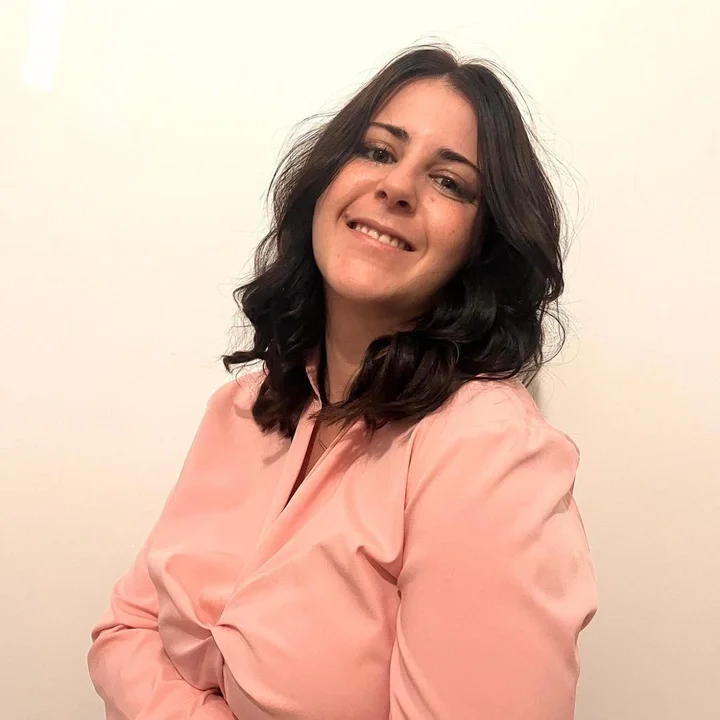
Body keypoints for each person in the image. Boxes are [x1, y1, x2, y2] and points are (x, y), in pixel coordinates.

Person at [87, 44, 597, 720]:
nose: (398, 187)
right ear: (325, 181)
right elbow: (123, 632)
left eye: (450, 182)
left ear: (482, 247)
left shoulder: (488, 453)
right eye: (379, 151)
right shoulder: (242, 409)